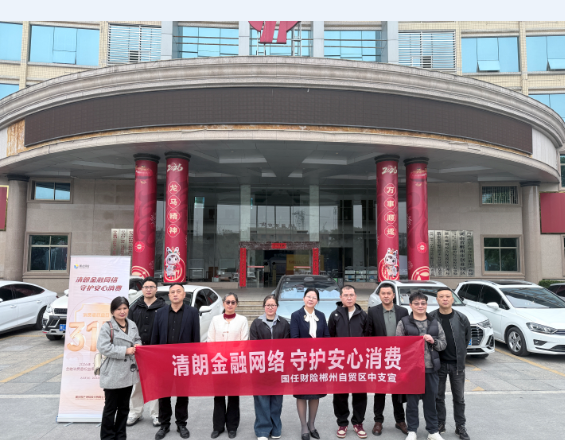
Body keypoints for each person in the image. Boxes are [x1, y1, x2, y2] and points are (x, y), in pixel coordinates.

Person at [151, 284, 200, 440]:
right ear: (169, 296)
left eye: (178, 291)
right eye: (172, 292)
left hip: (183, 361)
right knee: (163, 394)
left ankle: (181, 424)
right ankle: (164, 424)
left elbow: (196, 338)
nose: (175, 294)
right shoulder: (160, 313)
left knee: (182, 394)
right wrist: (154, 360)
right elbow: (155, 338)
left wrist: (194, 361)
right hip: (164, 361)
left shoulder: (192, 312)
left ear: (184, 294)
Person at [396, 291, 447, 440]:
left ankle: (433, 431)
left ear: (426, 305)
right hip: (412, 370)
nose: (420, 306)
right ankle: (412, 430)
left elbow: (443, 344)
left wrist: (433, 341)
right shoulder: (403, 322)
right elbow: (398, 344)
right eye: (416, 303)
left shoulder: (435, 323)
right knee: (412, 403)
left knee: (431, 402)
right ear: (410, 305)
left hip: (431, 368)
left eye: (423, 303)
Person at [365, 283, 409, 436]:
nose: (386, 296)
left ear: (393, 295)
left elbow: (407, 334)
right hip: (380, 358)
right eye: (383, 293)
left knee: (398, 390)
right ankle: (378, 421)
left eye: (388, 293)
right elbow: (369, 334)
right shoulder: (373, 311)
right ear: (379, 295)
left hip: (397, 358)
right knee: (380, 391)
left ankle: (400, 420)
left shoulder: (403, 311)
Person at [429, 289, 472, 440]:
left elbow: (466, 338)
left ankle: (460, 426)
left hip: (457, 365)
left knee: (459, 398)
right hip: (438, 364)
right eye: (441, 297)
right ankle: (440, 424)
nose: (445, 299)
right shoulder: (431, 317)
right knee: (438, 397)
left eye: (448, 296)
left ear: (452, 299)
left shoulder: (461, 318)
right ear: (437, 299)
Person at [97, 296, 141, 440]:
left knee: (124, 408)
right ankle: (107, 437)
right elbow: (103, 347)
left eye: (125, 308)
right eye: (118, 309)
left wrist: (138, 345)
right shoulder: (107, 326)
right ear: (112, 311)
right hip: (113, 373)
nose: (122, 311)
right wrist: (125, 351)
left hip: (129, 372)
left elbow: (137, 339)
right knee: (110, 408)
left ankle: (121, 435)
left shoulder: (132, 324)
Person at [328, 285, 368, 439]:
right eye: (346, 295)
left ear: (355, 296)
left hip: (359, 361)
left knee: (360, 394)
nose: (349, 298)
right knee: (340, 394)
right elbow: (330, 338)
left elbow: (368, 337)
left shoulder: (363, 315)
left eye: (351, 295)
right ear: (341, 297)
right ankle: (342, 423)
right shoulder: (334, 315)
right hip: (340, 361)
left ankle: (358, 423)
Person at [290, 287, 330, 440]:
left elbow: (326, 337)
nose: (311, 299)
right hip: (302, 361)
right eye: (308, 296)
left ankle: (312, 424)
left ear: (317, 301)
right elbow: (294, 339)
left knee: (315, 394)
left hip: (318, 361)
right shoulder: (296, 315)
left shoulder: (321, 315)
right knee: (302, 394)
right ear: (303, 299)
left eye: (314, 297)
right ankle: (304, 426)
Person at [208, 293, 249, 439]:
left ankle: (232, 427)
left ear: (236, 304)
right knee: (218, 396)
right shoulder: (215, 319)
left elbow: (244, 342)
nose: (230, 305)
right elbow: (210, 341)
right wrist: (219, 357)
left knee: (233, 396)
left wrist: (231, 357)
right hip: (218, 363)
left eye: (233, 302)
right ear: (223, 303)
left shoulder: (242, 320)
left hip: (234, 363)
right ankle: (218, 427)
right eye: (227, 302)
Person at [127, 276, 166, 427]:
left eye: (151, 287)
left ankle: (156, 414)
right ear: (142, 289)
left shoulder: (163, 308)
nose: (148, 289)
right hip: (138, 351)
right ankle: (135, 412)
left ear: (156, 289)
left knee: (155, 383)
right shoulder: (134, 308)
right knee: (137, 384)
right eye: (145, 287)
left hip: (156, 352)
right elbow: (128, 329)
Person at [250, 294, 291, 440]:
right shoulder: (256, 323)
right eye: (268, 305)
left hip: (278, 366)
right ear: (264, 306)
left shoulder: (284, 323)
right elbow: (253, 346)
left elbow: (287, 345)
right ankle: (262, 430)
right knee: (261, 398)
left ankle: (275, 428)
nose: (270, 307)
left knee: (276, 399)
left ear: (277, 307)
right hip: (261, 367)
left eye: (273, 305)